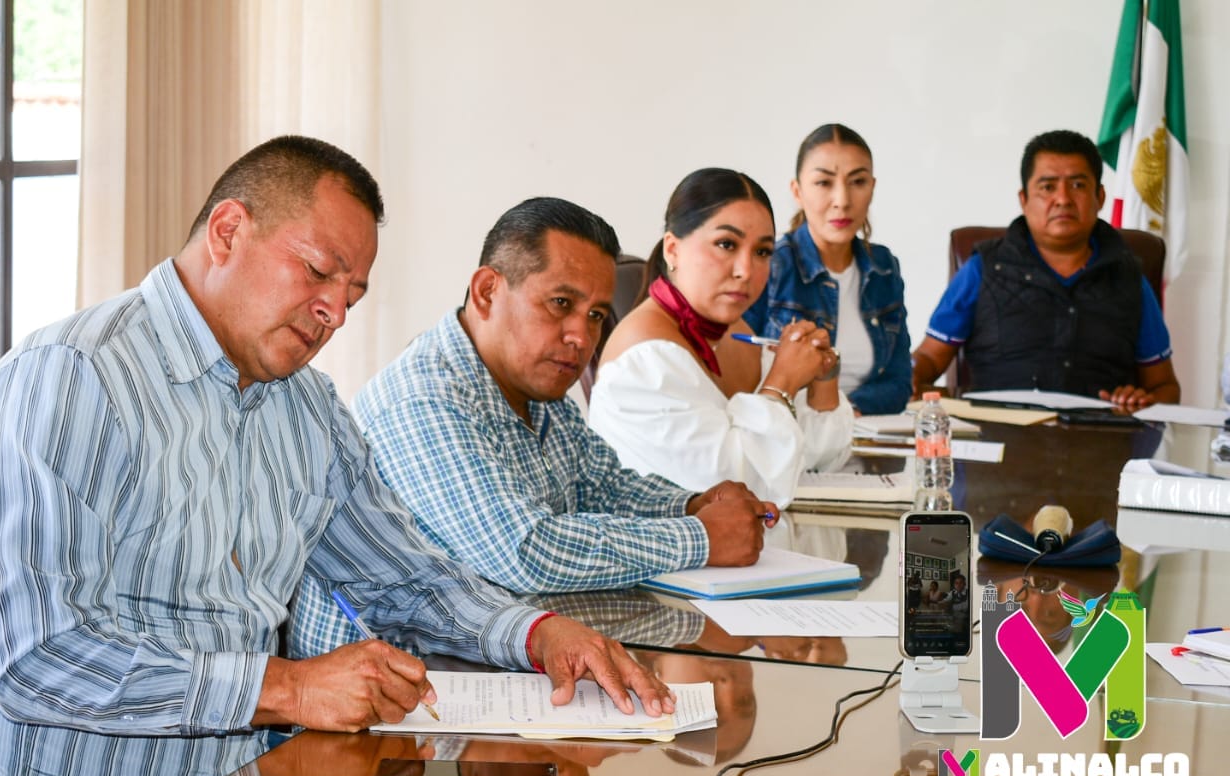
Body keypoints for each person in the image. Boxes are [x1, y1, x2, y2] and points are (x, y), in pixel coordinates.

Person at [0, 136, 671, 776]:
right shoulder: (69, 379)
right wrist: (286, 688)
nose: (334, 313)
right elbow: (33, 656)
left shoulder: (306, 407)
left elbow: (408, 579)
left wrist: (537, 632)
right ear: (229, 231)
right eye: (317, 272)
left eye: (351, 294)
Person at [338, 197, 775, 598]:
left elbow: (603, 487)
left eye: (597, 315)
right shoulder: (422, 400)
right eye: (560, 302)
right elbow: (525, 551)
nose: (581, 336)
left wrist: (690, 504)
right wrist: (700, 537)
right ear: (487, 291)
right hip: (414, 670)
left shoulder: (537, 387)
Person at [587, 168, 853, 508]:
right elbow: (728, 494)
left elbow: (815, 461)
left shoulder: (737, 333)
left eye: (762, 252)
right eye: (726, 244)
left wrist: (823, 380)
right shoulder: (644, 360)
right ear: (673, 250)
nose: (745, 270)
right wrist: (782, 382)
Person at [911, 129, 1180, 410]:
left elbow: (1165, 387)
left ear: (1100, 197)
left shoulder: (1129, 278)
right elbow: (929, 358)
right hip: (999, 439)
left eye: (1077, 185)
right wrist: (911, 375)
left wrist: (1142, 403)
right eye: (1048, 187)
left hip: (1102, 441)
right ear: (1024, 199)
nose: (1062, 199)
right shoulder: (983, 268)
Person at [744, 124, 912, 415]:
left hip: (867, 437)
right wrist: (829, 416)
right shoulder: (771, 265)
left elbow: (899, 383)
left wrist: (845, 412)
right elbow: (742, 380)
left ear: (872, 188)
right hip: (789, 435)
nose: (842, 201)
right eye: (824, 183)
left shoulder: (884, 268)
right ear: (797, 191)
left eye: (857, 182)